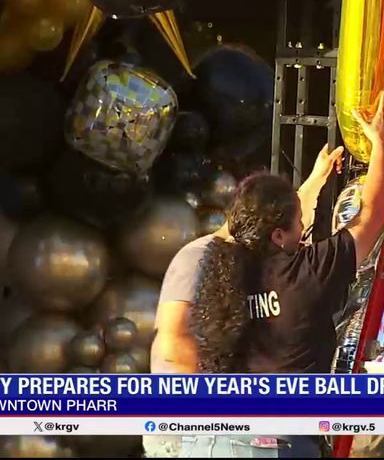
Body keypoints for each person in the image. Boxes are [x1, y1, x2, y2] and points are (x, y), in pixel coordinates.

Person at [182, 95, 384, 458]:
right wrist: (380, 143)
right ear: (278, 236)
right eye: (298, 222)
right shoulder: (306, 272)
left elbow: (251, 224)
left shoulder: (220, 272)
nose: (303, 228)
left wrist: (312, 183)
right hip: (282, 443)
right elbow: (372, 214)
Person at [143, 143, 344, 458]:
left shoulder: (240, 259)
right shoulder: (199, 258)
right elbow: (172, 343)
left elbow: (281, 215)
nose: (300, 232)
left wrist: (317, 178)